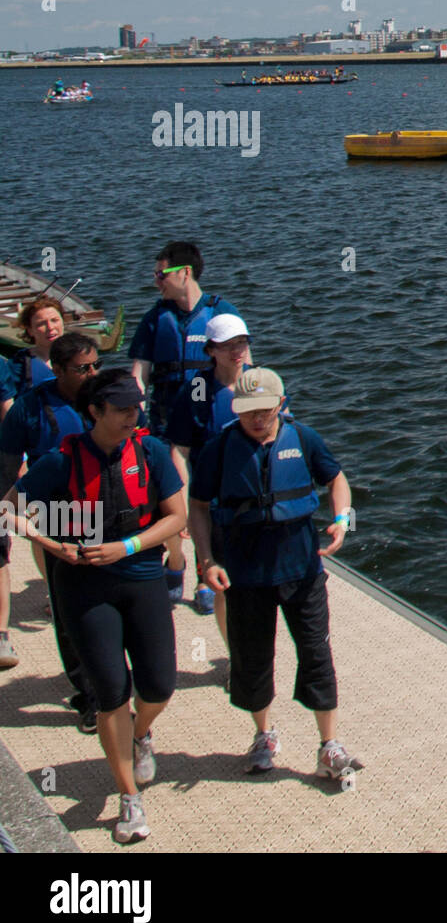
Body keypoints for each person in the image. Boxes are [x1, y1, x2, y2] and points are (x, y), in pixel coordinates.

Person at [2, 371, 186, 844]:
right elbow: (8, 509)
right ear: (95, 413)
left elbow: (177, 517)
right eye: (123, 409)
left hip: (142, 577)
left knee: (161, 684)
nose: (134, 416)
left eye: (137, 408)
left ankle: (140, 733)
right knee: (110, 693)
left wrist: (125, 547)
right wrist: (52, 544)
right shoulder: (60, 461)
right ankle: (129, 798)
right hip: (83, 587)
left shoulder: (152, 452)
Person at [187, 368, 362, 783]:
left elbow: (337, 479)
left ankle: (328, 746)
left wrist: (341, 520)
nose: (257, 419)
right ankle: (263, 735)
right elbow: (197, 506)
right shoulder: (219, 449)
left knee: (317, 656)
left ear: (281, 405)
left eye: (265, 410)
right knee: (252, 661)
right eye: (248, 411)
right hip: (245, 576)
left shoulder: (304, 439)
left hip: (301, 572)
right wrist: (207, 559)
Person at [129, 241, 240, 602]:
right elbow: (138, 374)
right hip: (164, 422)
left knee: (206, 496)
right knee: (170, 493)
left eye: (161, 273)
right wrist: (131, 410)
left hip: (208, 418)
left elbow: (245, 367)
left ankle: (206, 575)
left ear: (185, 272)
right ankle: (175, 560)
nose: (156, 280)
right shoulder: (153, 319)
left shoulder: (220, 313)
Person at [0, 332, 100, 709]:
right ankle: (89, 696)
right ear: (57, 370)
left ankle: (115, 677)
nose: (91, 374)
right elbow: (9, 468)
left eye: (95, 365)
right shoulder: (28, 408)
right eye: (81, 368)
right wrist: (10, 517)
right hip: (56, 514)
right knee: (69, 607)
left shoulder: (107, 398)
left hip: (107, 508)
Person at [166, 313, 277, 622]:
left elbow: (283, 434)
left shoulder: (262, 382)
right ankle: (235, 653)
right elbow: (180, 451)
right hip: (215, 502)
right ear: (211, 350)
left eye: (242, 343)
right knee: (224, 584)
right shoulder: (196, 392)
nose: (237, 351)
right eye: (228, 345)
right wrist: (186, 509)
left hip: (259, 497)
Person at [6, 296, 69, 402]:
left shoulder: (78, 356)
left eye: (54, 320)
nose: (50, 327)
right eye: (41, 324)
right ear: (30, 330)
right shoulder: (19, 364)